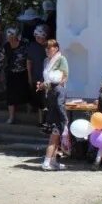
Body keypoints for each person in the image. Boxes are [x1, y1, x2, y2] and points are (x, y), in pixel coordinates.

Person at [37, 39, 70, 171]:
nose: (47, 50)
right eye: (46, 48)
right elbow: (47, 80)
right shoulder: (46, 61)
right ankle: (47, 162)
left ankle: (54, 161)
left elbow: (64, 76)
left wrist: (55, 84)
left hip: (55, 94)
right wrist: (42, 85)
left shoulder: (61, 59)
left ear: (56, 48)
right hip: (51, 97)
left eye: (49, 48)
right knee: (55, 134)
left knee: (56, 135)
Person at [2, 27, 32, 124]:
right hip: (11, 73)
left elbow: (29, 60)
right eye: (8, 36)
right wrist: (0, 72)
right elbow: (2, 59)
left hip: (23, 72)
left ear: (15, 36)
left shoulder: (23, 45)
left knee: (25, 92)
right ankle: (11, 117)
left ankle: (29, 114)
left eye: (11, 36)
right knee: (10, 95)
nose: (9, 38)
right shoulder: (6, 46)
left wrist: (29, 74)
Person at [27, 25, 49, 123]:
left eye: (39, 37)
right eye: (36, 37)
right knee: (40, 100)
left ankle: (47, 120)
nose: (37, 38)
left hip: (48, 78)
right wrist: (29, 77)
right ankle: (40, 121)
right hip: (37, 77)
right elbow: (29, 62)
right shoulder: (32, 46)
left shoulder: (50, 46)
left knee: (46, 100)